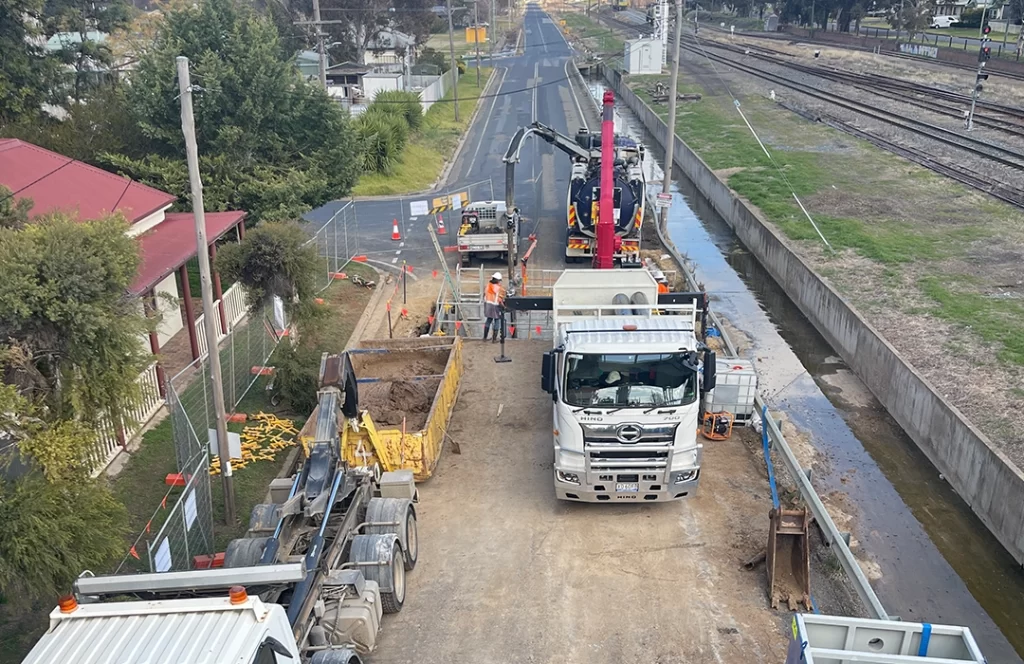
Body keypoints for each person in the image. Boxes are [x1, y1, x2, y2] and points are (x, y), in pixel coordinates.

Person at [482, 272, 505, 343]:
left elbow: (484, 294)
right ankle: (494, 339)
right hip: (495, 306)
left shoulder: (488, 285)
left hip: (487, 305)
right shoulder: (499, 289)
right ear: (498, 280)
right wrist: (503, 306)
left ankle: (485, 338)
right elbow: (500, 299)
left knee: (488, 320)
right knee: (497, 320)